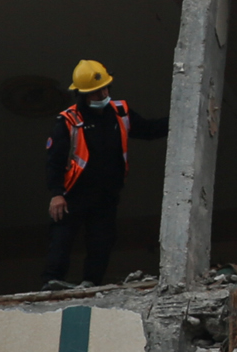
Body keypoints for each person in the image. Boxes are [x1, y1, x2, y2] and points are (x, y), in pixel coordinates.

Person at [43, 60, 167, 290]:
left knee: (102, 240)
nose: (103, 93)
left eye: (105, 88)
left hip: (107, 193)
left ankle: (92, 282)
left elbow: (149, 130)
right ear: (82, 94)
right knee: (63, 236)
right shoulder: (68, 120)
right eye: (96, 91)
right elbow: (55, 161)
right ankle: (52, 280)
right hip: (74, 193)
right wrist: (57, 194)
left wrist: (179, 119)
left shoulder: (120, 112)